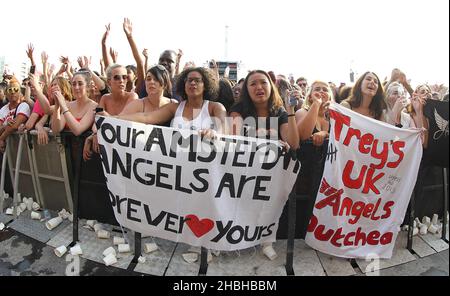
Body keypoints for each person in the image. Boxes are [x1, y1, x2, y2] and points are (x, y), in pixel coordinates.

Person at [229, 70, 299, 260]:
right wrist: (273, 138)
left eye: (263, 82)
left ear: (271, 86)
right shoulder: (238, 109)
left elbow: (293, 143)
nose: (259, 87)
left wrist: (290, 110)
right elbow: (235, 138)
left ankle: (265, 241)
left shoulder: (281, 112)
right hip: (242, 171)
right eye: (253, 84)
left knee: (267, 207)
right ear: (246, 90)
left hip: (269, 175)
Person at [115, 67, 226, 135]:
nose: (192, 83)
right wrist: (113, 118)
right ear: (184, 84)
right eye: (189, 80)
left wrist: (215, 133)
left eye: (197, 80)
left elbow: (224, 129)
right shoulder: (174, 107)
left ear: (206, 85)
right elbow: (147, 117)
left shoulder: (216, 108)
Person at [51, 71, 97, 136]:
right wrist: (57, 105)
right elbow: (56, 130)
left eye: (80, 84)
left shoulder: (93, 106)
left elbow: (78, 130)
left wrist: (63, 107)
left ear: (87, 87)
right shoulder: (68, 105)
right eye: (74, 84)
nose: (76, 87)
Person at [0, 77, 31, 153]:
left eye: (16, 89)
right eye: (10, 90)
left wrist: (1, 138)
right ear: (6, 94)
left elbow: (15, 125)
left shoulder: (24, 106)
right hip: (5, 152)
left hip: (20, 151)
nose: (13, 92)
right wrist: (5, 126)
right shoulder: (3, 109)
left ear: (20, 93)